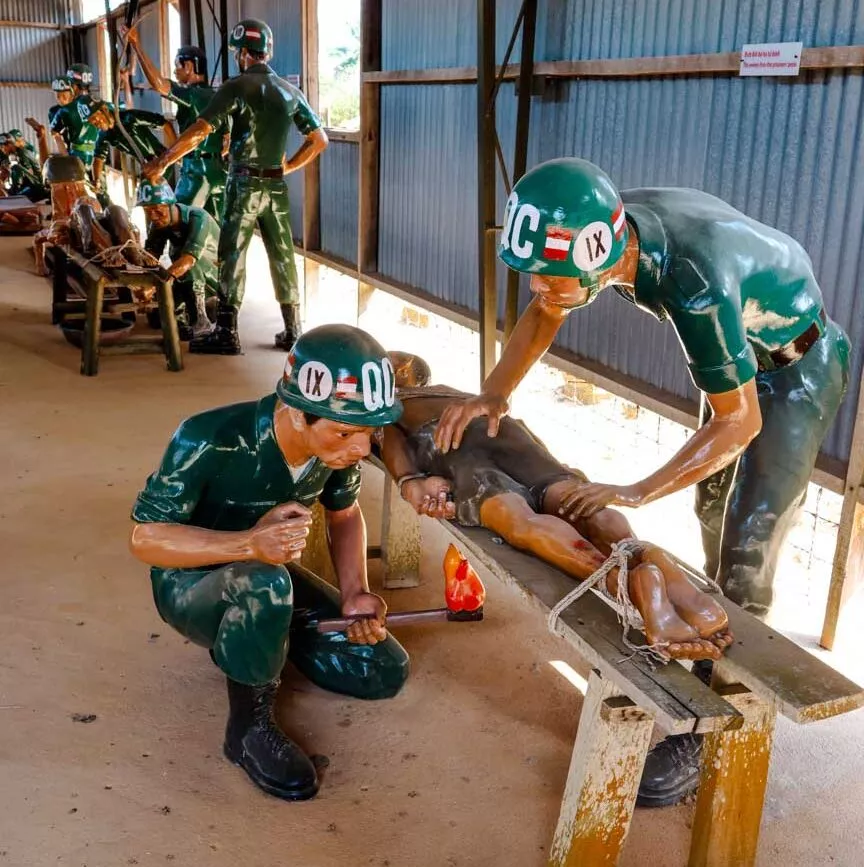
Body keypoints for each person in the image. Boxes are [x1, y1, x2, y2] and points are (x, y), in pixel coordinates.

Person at [434, 157, 850, 806]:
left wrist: (634, 491)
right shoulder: (598, 221)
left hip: (797, 367)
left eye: (548, 274)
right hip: (744, 354)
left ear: (599, 257)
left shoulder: (693, 281)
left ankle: (712, 723)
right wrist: (495, 392)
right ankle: (710, 638)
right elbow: (548, 309)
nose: (538, 284)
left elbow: (739, 420)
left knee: (749, 539)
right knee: (712, 509)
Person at [129, 324, 407, 801]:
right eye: (345, 432)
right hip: (190, 584)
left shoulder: (335, 455)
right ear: (298, 413)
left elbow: (344, 514)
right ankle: (247, 730)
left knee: (381, 669)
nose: (361, 449)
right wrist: (249, 545)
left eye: (369, 433)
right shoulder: (207, 437)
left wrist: (355, 593)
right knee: (266, 586)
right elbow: (145, 539)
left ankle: (263, 636)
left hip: (269, 574)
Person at [380, 352, 732, 662]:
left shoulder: (393, 405)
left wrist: (410, 480)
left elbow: (392, 442)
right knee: (571, 498)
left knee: (519, 518)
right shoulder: (458, 393)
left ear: (398, 377)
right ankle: (640, 552)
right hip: (506, 432)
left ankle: (625, 586)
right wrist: (557, 468)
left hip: (447, 441)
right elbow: (521, 428)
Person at [142, 18, 328, 356]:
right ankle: (293, 329)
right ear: (266, 51)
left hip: (244, 184)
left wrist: (164, 161)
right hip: (276, 188)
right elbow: (319, 140)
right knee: (282, 254)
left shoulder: (236, 87)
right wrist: (287, 166)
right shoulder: (290, 92)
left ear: (242, 53)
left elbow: (201, 130)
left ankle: (227, 331)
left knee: (232, 253)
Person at [121, 26, 229, 219]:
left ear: (189, 66)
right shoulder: (219, 96)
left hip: (196, 172)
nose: (175, 71)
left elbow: (159, 85)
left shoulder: (191, 95)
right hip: (219, 172)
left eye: (178, 65)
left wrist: (136, 45)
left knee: (179, 222)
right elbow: (226, 142)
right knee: (215, 228)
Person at [139, 178, 218, 338]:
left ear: (171, 204)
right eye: (148, 211)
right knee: (157, 317)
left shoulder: (199, 218)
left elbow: (188, 261)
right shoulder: (159, 223)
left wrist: (156, 286)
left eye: (157, 210)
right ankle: (185, 313)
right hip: (184, 279)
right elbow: (150, 257)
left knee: (187, 264)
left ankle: (201, 320)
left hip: (214, 280)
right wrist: (143, 283)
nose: (153, 216)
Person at [87, 101, 172, 186]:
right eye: (91, 122)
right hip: (148, 169)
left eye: (95, 117)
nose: (95, 123)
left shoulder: (130, 117)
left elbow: (165, 124)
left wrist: (173, 151)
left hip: (163, 162)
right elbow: (98, 157)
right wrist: (96, 180)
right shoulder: (103, 135)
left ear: (105, 109)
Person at [0, 130, 49, 201]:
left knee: (15, 168)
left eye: (2, 147)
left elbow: (30, 172)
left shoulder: (22, 152)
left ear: (10, 144)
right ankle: (14, 193)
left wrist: (12, 171)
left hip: (35, 187)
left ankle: (14, 193)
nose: (2, 149)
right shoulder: (13, 155)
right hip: (28, 187)